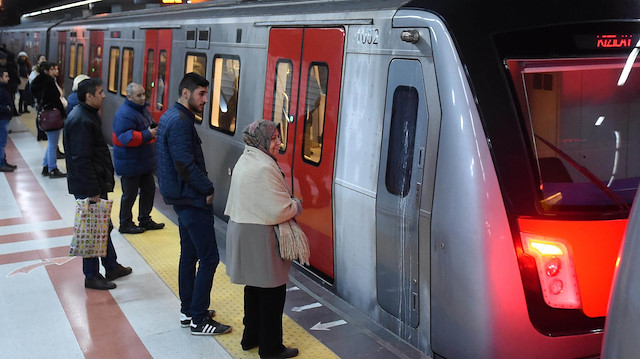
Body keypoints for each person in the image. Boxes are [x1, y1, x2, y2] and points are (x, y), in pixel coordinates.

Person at [156, 72, 232, 335]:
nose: (206, 99)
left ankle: (188, 310)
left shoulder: (171, 117)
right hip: (190, 199)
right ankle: (199, 319)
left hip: (181, 198)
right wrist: (208, 188)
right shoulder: (179, 122)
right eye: (201, 94)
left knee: (189, 255)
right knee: (209, 257)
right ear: (186, 93)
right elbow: (184, 165)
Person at [224, 119, 301, 359]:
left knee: (254, 288)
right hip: (259, 235)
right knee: (273, 292)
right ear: (263, 141)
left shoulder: (246, 159)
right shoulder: (264, 167)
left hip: (243, 230)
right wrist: (296, 205)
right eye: (275, 138)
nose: (278, 143)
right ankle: (271, 348)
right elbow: (280, 209)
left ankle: (251, 337)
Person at [64, 78, 132, 290]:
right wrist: (92, 191)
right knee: (93, 229)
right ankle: (91, 275)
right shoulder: (82, 120)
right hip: (89, 185)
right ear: (89, 96)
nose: (104, 95)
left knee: (102, 225)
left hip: (93, 182)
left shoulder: (86, 115)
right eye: (100, 92)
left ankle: (111, 265)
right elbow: (81, 159)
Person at [113, 82, 165, 234]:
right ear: (129, 97)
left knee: (149, 190)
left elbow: (146, 126)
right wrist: (149, 134)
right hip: (130, 162)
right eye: (139, 95)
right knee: (129, 195)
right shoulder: (124, 113)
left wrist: (153, 128)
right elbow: (125, 138)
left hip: (142, 161)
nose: (143, 98)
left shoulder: (142, 110)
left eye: (144, 94)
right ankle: (125, 223)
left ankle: (144, 218)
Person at [30, 62, 66, 178]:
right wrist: (63, 114)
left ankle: (46, 166)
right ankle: (53, 168)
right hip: (53, 115)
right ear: (46, 70)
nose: (53, 72)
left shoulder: (37, 81)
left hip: (44, 114)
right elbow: (56, 99)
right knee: (53, 143)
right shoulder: (49, 82)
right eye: (51, 69)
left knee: (51, 142)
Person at [0, 67, 17, 172]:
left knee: (2, 142)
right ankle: (1, 163)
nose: (8, 78)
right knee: (1, 142)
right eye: (6, 76)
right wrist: (7, 109)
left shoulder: (4, 88)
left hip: (5, 118)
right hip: (2, 118)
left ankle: (3, 161)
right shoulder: (1, 89)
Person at [30, 54, 47, 141]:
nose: (44, 60)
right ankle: (40, 134)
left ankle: (42, 133)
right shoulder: (35, 73)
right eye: (42, 59)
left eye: (45, 59)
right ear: (38, 60)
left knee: (42, 115)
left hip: (42, 98)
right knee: (40, 115)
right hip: (39, 99)